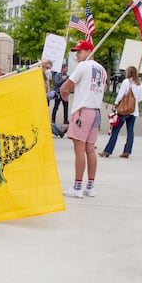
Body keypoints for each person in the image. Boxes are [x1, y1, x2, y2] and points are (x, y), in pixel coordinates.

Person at [59, 40, 107, 198]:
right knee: (90, 150)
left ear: (88, 51)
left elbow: (67, 85)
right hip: (96, 111)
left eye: (79, 52)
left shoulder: (83, 66)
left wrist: (62, 92)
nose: (77, 55)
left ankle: (77, 187)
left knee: (79, 150)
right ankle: (90, 186)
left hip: (82, 111)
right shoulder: (102, 69)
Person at [99, 65, 142, 159]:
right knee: (130, 131)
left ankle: (108, 150)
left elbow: (121, 95)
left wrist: (116, 103)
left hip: (124, 111)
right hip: (133, 111)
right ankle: (127, 151)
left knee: (115, 130)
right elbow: (140, 99)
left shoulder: (126, 82)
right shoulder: (139, 84)